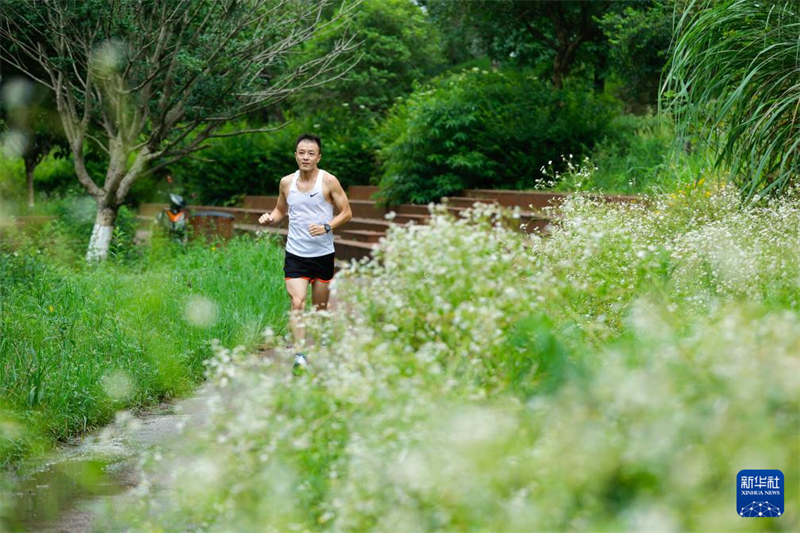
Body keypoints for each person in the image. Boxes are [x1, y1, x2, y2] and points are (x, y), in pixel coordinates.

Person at [259, 133, 352, 371]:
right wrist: (271, 218)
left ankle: (325, 331)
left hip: (322, 254)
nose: (306, 157)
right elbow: (280, 210)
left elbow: (346, 212)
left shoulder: (329, 181)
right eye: (302, 153)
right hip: (296, 253)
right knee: (297, 302)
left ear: (318, 157)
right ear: (295, 155)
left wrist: (327, 226)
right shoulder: (286, 183)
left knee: (319, 310)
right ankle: (300, 355)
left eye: (311, 153)